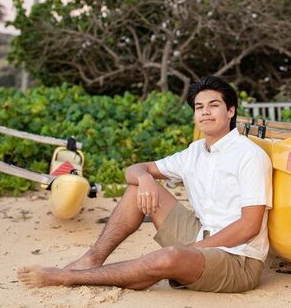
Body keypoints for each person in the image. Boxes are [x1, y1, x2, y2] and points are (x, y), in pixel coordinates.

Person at [17, 76, 273, 292]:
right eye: (199, 107)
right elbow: (134, 169)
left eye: (214, 105)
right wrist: (145, 179)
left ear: (230, 111)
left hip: (238, 258)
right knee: (138, 187)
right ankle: (91, 259)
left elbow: (249, 226)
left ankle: (70, 277)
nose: (205, 112)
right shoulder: (194, 151)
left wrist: (193, 250)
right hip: (199, 234)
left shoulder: (249, 156)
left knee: (169, 256)